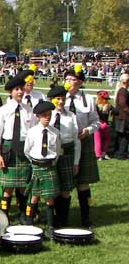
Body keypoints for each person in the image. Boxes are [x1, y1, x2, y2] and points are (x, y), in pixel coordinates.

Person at [0, 71, 36, 221]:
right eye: (16, 89)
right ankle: (5, 215)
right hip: (8, 149)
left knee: (24, 185)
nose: (20, 92)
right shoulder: (3, 110)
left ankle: (24, 213)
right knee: (7, 187)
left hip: (24, 149)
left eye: (21, 89)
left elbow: (33, 132)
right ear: (10, 92)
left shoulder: (29, 110)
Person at [65, 65, 100, 229]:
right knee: (63, 182)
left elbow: (96, 121)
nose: (69, 82)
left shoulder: (88, 99)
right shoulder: (58, 97)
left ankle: (86, 218)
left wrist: (88, 130)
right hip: (64, 143)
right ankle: (61, 218)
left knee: (83, 182)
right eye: (67, 79)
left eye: (72, 79)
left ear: (79, 82)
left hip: (83, 141)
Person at [23, 101, 61, 235]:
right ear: (38, 116)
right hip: (36, 166)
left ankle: (51, 226)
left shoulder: (55, 132)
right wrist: (35, 163)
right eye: (44, 115)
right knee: (34, 197)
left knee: (49, 197)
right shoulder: (32, 132)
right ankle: (29, 222)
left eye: (49, 115)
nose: (47, 117)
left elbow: (57, 151)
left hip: (49, 167)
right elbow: (27, 150)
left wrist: (50, 163)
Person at [48, 86, 80, 227]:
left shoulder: (71, 116)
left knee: (66, 189)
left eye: (62, 99)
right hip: (51, 154)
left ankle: (63, 219)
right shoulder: (47, 116)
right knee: (53, 189)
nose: (60, 102)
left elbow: (76, 140)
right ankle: (52, 219)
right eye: (57, 99)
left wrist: (76, 162)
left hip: (67, 153)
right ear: (51, 100)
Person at [113, 73, 129, 159]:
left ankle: (118, 152)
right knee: (125, 136)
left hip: (120, 116)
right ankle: (121, 153)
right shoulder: (123, 91)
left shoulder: (120, 90)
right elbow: (123, 104)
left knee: (120, 135)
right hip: (123, 117)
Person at [94, 90, 112, 160]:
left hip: (97, 124)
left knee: (97, 141)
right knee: (107, 139)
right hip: (105, 124)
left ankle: (98, 155)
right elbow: (116, 112)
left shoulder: (95, 106)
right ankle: (104, 152)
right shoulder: (108, 105)